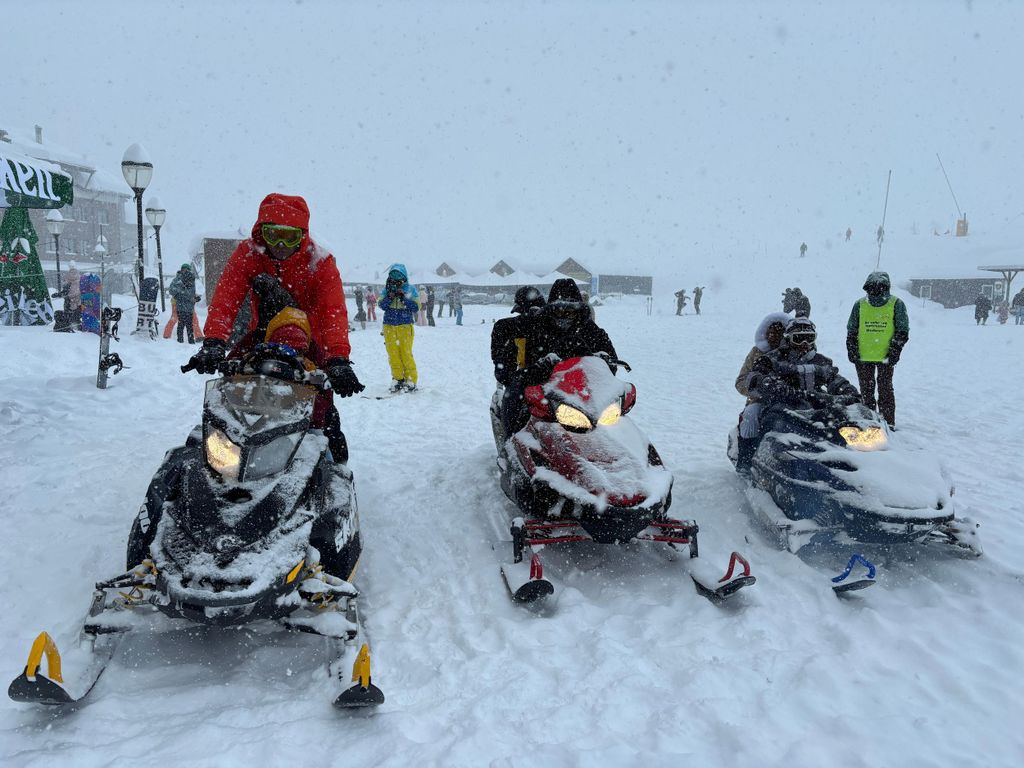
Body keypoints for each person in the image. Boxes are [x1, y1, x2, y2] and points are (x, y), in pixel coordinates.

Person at [185, 193, 364, 461]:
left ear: (302, 237)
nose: (280, 245)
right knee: (235, 383)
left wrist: (337, 358)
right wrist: (214, 342)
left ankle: (332, 464)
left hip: (310, 341)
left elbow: (333, 312)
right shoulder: (248, 254)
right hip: (263, 335)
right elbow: (226, 298)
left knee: (322, 408)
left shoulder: (321, 263)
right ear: (260, 233)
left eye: (289, 237)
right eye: (272, 235)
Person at [745, 317, 860, 456]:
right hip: (781, 406)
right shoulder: (771, 359)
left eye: (809, 338)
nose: (804, 344)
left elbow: (835, 380)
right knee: (761, 420)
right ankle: (748, 460)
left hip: (815, 408)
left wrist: (849, 393)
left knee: (840, 427)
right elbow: (754, 378)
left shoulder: (820, 361)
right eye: (798, 338)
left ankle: (840, 458)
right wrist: (769, 385)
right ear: (788, 339)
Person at [845, 271, 908, 429]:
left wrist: (894, 350)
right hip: (862, 356)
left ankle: (888, 423)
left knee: (885, 389)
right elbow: (851, 329)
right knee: (867, 391)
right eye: (873, 287)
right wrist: (852, 348)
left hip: (885, 356)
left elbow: (902, 330)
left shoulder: (896, 304)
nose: (876, 291)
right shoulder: (859, 305)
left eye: (880, 287)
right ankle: (870, 421)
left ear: (886, 287)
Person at [733, 312, 790, 473]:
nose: (774, 337)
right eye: (771, 333)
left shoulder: (795, 352)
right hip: (760, 401)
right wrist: (759, 391)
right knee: (750, 416)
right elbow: (741, 381)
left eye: (779, 333)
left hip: (791, 398)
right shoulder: (756, 353)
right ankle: (745, 460)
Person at [491, 286, 546, 441]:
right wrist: (513, 379)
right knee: (512, 410)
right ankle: (511, 445)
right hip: (525, 382)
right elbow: (501, 361)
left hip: (556, 380)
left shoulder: (555, 326)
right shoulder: (507, 327)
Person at [379, 263, 420, 392]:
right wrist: (389, 297)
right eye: (394, 275)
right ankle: (397, 378)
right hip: (389, 326)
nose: (396, 279)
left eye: (399, 276)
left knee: (406, 353)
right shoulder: (387, 289)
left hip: (405, 326)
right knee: (393, 354)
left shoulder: (411, 289)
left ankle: (410, 380)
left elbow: (416, 307)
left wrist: (404, 299)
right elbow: (382, 305)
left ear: (404, 276)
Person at [169, 264, 200, 343]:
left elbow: (190, 292)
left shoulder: (189, 278)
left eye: (187, 270)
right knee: (184, 324)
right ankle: (184, 341)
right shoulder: (180, 279)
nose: (186, 271)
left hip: (185, 306)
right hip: (183, 305)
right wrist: (190, 298)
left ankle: (184, 341)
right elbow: (175, 291)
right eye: (185, 269)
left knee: (186, 324)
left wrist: (195, 298)